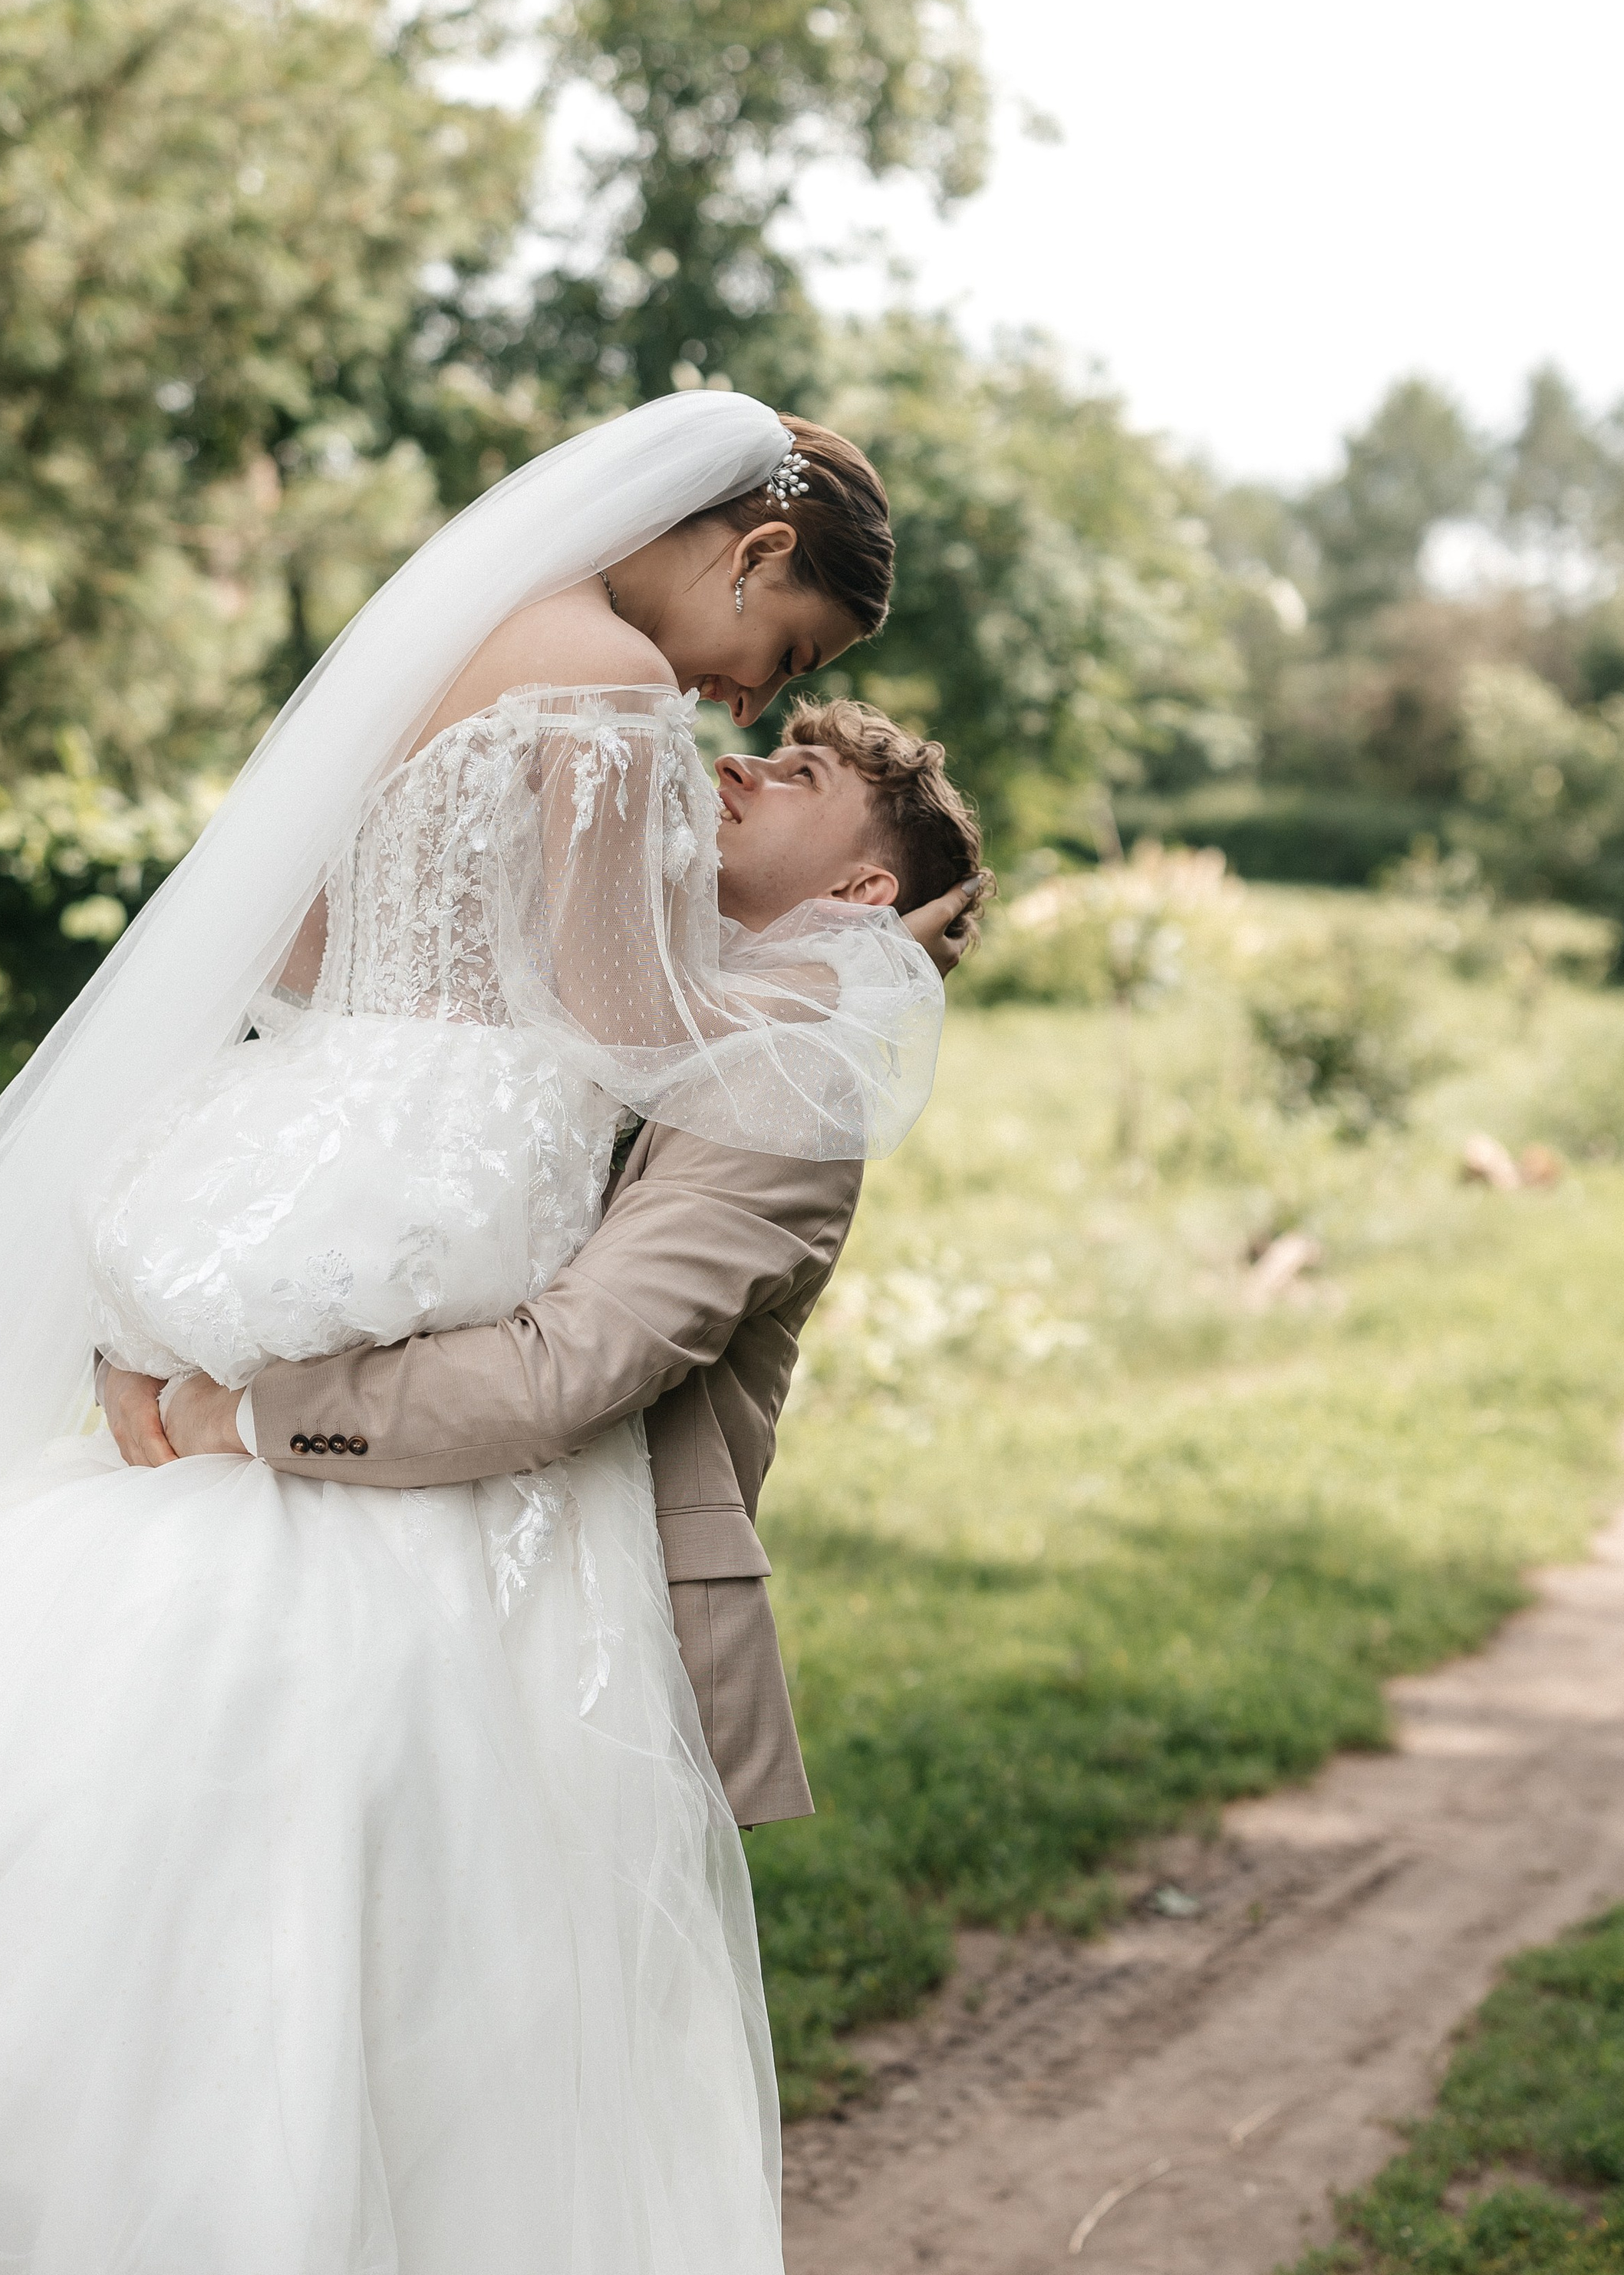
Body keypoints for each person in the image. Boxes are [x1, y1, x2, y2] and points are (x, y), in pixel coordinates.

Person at [0, 395, 948, 2275]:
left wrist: (385, 1096)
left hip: (328, 1220)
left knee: (132, 1798)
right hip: (406, 1347)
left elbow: (296, 959)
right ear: (746, 548)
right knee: (387, 1939)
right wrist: (822, 980)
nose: (752, 704)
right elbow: (621, 1015)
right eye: (779, 652)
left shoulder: (474, 643)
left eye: (785, 715)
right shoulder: (621, 698)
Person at [104, 700, 985, 1826]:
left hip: (550, 1640)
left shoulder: (781, 1088)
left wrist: (233, 1414)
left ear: (861, 896)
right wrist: (140, 1353)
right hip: (281, 1548)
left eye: (796, 774)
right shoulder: (567, 988)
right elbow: (288, 1181)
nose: (737, 763)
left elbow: (560, 1375)